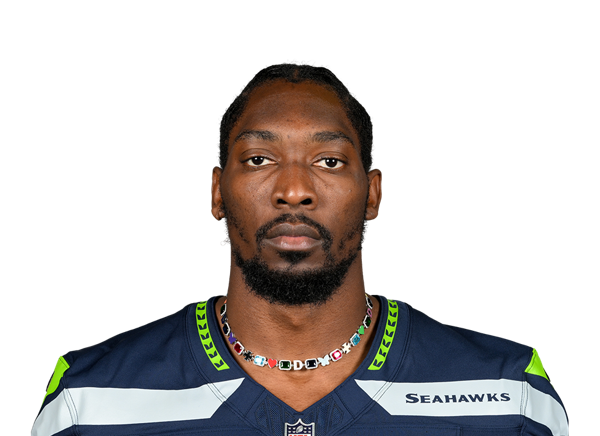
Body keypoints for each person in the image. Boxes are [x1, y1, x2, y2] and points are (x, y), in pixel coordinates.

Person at [31, 61, 568, 436]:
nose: (294, 190)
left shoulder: (511, 393)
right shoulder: (89, 400)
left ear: (373, 194)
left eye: (329, 161)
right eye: (259, 160)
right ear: (217, 193)